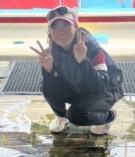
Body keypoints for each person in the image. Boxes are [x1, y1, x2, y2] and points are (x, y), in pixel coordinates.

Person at [30, 6, 123, 135]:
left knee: (77, 115)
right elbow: (51, 90)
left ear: (75, 27)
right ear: (49, 31)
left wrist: (83, 62)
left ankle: (108, 117)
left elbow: (101, 86)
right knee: (45, 86)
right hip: (80, 86)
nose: (60, 32)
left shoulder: (92, 47)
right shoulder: (50, 52)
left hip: (107, 88)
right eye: (55, 27)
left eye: (66, 26)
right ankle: (61, 117)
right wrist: (48, 71)